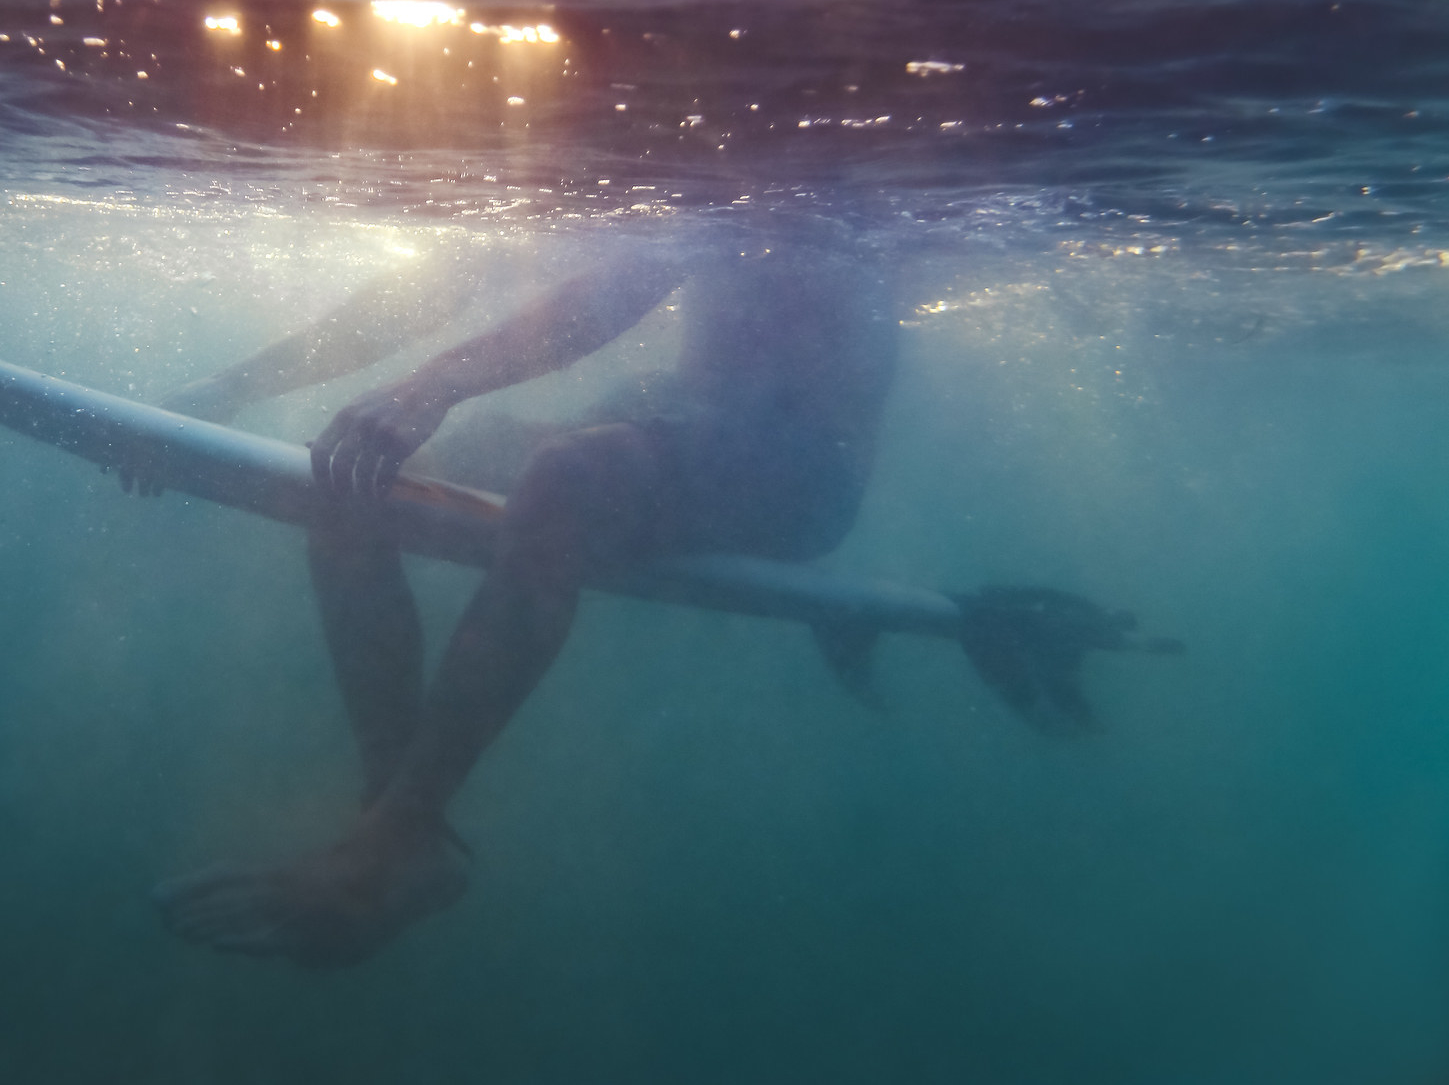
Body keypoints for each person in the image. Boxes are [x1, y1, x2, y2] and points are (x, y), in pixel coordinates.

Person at [137, 219, 901, 968]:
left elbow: (615, 290)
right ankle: (396, 822)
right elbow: (446, 281)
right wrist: (229, 385)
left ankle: (397, 833)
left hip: (805, 466)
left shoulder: (757, 146)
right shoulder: (636, 145)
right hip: (674, 413)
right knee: (354, 471)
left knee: (567, 478)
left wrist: (433, 382)